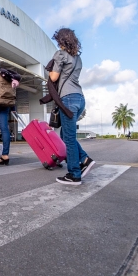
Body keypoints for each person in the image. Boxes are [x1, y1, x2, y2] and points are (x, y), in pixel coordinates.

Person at [49, 28, 95, 185]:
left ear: (61, 40)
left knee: (68, 138)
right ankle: (84, 160)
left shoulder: (60, 54)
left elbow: (54, 76)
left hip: (67, 98)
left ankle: (74, 174)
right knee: (65, 135)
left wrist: (51, 69)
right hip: (80, 99)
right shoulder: (78, 58)